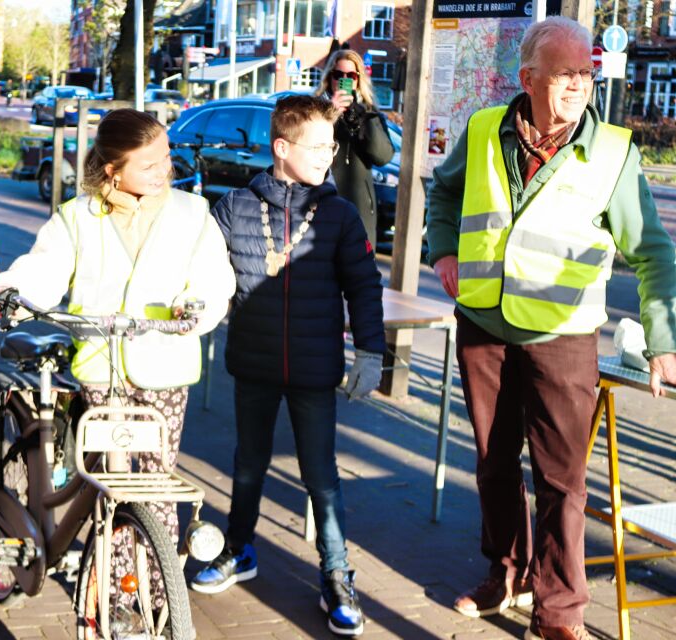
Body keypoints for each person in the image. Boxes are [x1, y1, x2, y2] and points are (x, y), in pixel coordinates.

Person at [424, 17, 676, 640]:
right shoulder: (482, 130)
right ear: (529, 78)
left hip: (563, 338)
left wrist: (664, 343)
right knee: (493, 465)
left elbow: (654, 254)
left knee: (562, 482)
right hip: (482, 322)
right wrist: (442, 250)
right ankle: (505, 574)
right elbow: (443, 196)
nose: (581, 84)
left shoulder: (613, 151)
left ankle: (559, 613)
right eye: (567, 73)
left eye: (588, 71)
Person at [0, 108, 236, 549]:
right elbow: (46, 269)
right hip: (100, 368)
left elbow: (215, 281)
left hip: (166, 369)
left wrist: (196, 308)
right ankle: (111, 584)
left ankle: (160, 594)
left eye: (166, 157)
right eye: (148, 164)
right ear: (114, 170)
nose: (163, 171)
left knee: (156, 484)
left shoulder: (193, 213)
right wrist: (10, 290)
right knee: (109, 481)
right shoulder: (77, 216)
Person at [189, 95, 383, 637]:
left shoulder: (340, 215)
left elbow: (364, 288)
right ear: (281, 147)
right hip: (253, 363)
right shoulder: (234, 208)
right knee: (248, 463)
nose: (329, 153)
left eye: (332, 144)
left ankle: (337, 574)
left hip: (315, 370)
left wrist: (371, 351)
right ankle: (239, 548)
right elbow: (202, 271)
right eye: (318, 145)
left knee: (320, 476)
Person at [313, 49, 394, 246]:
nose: (344, 80)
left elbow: (383, 156)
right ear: (329, 78)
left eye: (351, 76)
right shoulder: (315, 110)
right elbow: (308, 146)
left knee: (359, 270)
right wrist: (330, 114)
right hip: (321, 205)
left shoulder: (368, 112)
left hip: (359, 209)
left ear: (358, 80)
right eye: (338, 75)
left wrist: (360, 117)